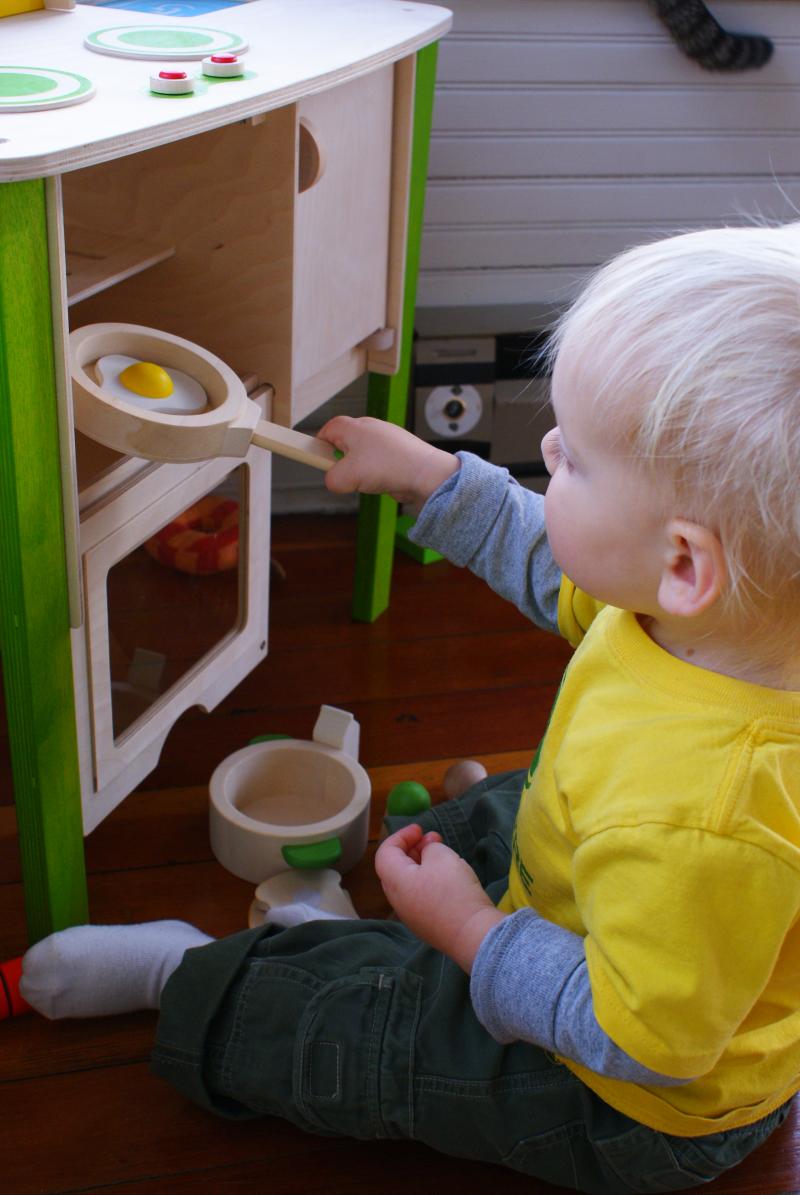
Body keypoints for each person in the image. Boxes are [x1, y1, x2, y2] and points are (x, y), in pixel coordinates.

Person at [20, 224, 800, 1193]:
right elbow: (550, 562)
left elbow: (641, 1039)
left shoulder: (707, 822)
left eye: (573, 461)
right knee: (487, 817)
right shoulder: (718, 615)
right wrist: (431, 475)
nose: (545, 449)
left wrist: (469, 931)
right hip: (619, 894)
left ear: (682, 562)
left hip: (621, 1096)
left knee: (362, 1037)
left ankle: (193, 976)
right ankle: (375, 926)